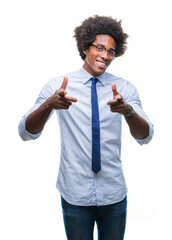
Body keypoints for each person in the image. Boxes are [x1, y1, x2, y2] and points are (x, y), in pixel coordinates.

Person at [18, 15, 154, 240]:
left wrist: (127, 111)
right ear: (84, 47)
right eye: (99, 48)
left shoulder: (123, 89)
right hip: (75, 194)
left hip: (114, 194)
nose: (105, 55)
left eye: (111, 51)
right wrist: (48, 105)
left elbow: (146, 135)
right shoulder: (58, 85)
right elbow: (25, 132)